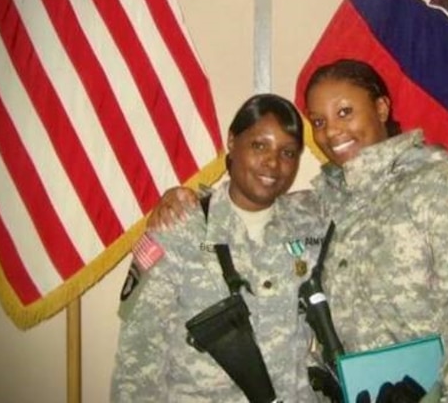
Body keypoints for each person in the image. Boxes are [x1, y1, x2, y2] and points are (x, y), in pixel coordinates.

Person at [153, 59, 448, 402]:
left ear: (381, 108)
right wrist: (191, 202)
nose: (331, 132)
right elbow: (258, 206)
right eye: (318, 121)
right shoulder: (329, 201)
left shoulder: (438, 191)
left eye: (345, 112)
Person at [110, 93, 330, 402]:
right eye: (259, 145)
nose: (273, 162)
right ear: (232, 141)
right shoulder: (178, 229)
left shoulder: (311, 221)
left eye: (288, 153)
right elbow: (138, 360)